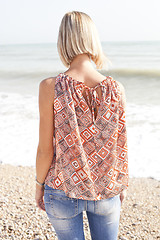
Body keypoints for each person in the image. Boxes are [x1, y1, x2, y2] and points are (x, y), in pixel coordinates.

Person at [35, 11, 129, 240]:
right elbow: (121, 146)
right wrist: (122, 183)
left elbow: (45, 149)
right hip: (106, 189)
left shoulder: (50, 87)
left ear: (63, 41)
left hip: (62, 188)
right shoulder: (116, 89)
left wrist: (39, 185)